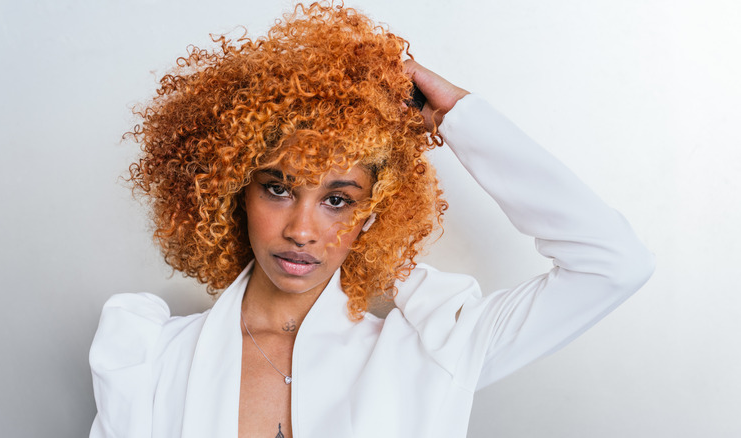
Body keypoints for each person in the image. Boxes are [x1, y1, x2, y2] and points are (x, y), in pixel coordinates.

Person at [89, 3, 654, 437]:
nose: (302, 231)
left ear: (372, 215)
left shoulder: (431, 352)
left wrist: (458, 116)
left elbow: (614, 264)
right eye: (279, 189)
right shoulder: (150, 357)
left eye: (337, 200)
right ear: (235, 192)